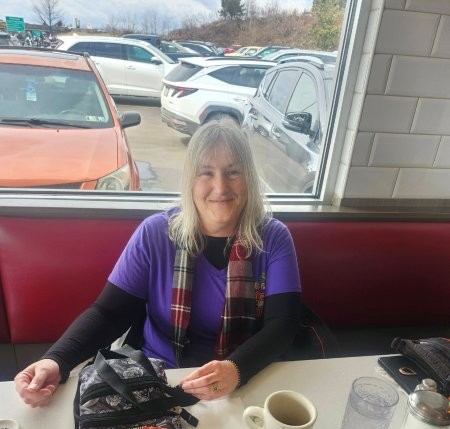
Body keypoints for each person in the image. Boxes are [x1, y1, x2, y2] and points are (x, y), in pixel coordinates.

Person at [15, 120, 302, 407]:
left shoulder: (274, 238)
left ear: (248, 178)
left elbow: (283, 325)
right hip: (158, 379)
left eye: (233, 172)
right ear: (190, 180)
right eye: (206, 172)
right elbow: (109, 313)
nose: (220, 186)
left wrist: (235, 369)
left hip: (240, 381)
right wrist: (57, 360)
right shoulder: (154, 233)